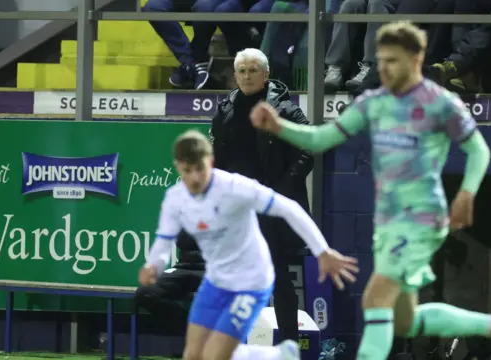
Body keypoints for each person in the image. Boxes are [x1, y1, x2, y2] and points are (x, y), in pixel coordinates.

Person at [250, 21, 491, 360]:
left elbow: (479, 151)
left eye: (392, 60)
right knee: (404, 321)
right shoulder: (374, 102)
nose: (383, 67)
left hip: (421, 218)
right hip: (387, 222)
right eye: (380, 60)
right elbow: (322, 138)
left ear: (417, 58)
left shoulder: (441, 104)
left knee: (375, 299)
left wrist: (467, 193)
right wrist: (279, 126)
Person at [138, 130, 359, 360]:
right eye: (187, 171)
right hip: (216, 281)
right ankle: (277, 354)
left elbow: (289, 208)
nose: (194, 178)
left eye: (200, 169)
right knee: (193, 355)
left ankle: (276, 356)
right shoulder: (175, 199)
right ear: (177, 168)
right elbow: (164, 242)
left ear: (211, 162)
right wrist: (154, 265)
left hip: (251, 280)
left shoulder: (235, 188)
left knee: (214, 356)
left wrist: (322, 251)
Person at [210, 48, 314, 344]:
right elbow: (217, 156)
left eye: (252, 70)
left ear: (266, 75)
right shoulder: (226, 109)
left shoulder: (285, 109)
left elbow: (308, 150)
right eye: (241, 70)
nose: (246, 76)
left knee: (279, 281)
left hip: (271, 209)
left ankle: (289, 346)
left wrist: (282, 188)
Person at [134, 231, 204, 333]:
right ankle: (190, 328)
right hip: (183, 267)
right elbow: (177, 239)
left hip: (213, 269)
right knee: (144, 292)